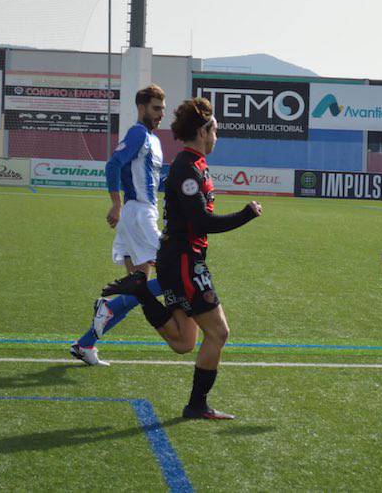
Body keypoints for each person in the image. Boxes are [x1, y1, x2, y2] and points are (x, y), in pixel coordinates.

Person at [101, 97, 262, 420]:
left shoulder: (195, 165)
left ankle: (142, 291)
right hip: (186, 260)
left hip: (179, 259)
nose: (217, 135)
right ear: (203, 131)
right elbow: (200, 222)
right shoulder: (188, 169)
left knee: (183, 341)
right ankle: (197, 405)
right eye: (214, 129)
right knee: (218, 334)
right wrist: (246, 214)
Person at [69, 84, 167, 366]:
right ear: (141, 107)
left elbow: (150, 176)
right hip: (139, 215)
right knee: (174, 274)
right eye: (155, 108)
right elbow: (113, 165)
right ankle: (108, 306)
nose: (160, 114)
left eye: (162, 108)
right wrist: (116, 203)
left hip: (139, 215)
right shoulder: (138, 133)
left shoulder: (153, 139)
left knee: (137, 290)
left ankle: (85, 344)